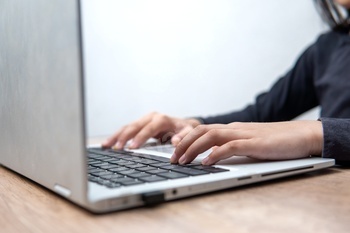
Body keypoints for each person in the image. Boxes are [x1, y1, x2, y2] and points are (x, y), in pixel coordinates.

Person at [103, 0, 350, 166]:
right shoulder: (327, 49)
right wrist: (194, 125)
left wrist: (315, 133)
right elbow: (261, 114)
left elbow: (305, 132)